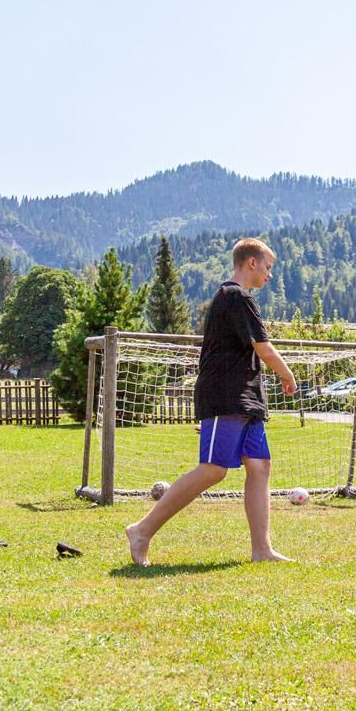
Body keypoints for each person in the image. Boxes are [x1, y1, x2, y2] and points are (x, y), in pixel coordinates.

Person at [126, 237, 298, 565]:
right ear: (251, 262)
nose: (270, 275)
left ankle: (262, 550)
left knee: (260, 466)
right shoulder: (235, 296)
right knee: (214, 470)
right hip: (226, 397)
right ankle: (142, 530)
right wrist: (287, 375)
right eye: (268, 267)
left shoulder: (239, 298)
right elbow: (263, 347)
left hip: (246, 399)